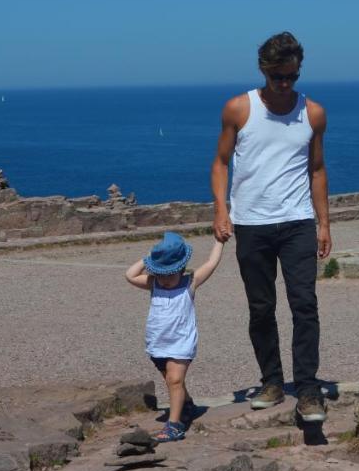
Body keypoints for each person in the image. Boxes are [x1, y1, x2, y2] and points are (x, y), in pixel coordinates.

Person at [211, 32, 332, 423]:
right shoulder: (238, 109)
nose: (285, 84)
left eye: (292, 77)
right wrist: (220, 210)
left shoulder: (312, 113)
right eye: (279, 77)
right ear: (264, 71)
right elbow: (220, 163)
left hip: (297, 222)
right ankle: (272, 382)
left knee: (305, 306)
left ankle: (309, 391)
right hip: (251, 223)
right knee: (261, 308)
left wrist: (324, 223)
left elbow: (317, 169)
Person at [125, 231, 224, 442]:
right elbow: (130, 275)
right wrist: (148, 259)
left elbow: (212, 262)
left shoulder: (191, 282)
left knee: (175, 380)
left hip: (181, 342)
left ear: (181, 268)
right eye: (160, 273)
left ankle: (174, 425)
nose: (165, 279)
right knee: (171, 380)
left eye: (169, 274)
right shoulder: (153, 283)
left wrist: (219, 241)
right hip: (157, 342)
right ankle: (187, 405)